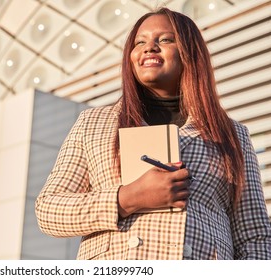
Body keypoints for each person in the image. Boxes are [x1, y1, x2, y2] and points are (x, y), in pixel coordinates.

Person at [35, 7, 271, 259]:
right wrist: (128, 198)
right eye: (140, 42)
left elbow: (255, 237)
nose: (149, 47)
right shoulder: (94, 123)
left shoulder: (231, 135)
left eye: (165, 39)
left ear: (190, 53)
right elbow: (49, 210)